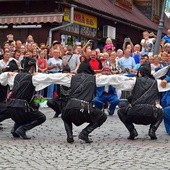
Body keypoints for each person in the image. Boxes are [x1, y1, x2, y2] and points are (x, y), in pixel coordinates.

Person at [117, 63, 163, 140]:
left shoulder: (134, 81)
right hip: (151, 114)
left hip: (135, 113)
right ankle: (152, 130)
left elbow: (120, 83)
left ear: (140, 73)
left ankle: (132, 131)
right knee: (161, 112)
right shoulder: (157, 82)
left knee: (120, 112)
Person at [61, 73, 107, 143]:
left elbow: (52, 78)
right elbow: (112, 79)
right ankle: (84, 133)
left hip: (70, 107)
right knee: (103, 116)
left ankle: (69, 135)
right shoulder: (95, 79)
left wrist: (64, 74)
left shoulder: (70, 78)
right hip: (84, 108)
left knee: (65, 115)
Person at [7, 57, 46, 139]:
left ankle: (15, 129)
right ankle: (22, 129)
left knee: (29, 108)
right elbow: (50, 78)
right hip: (21, 107)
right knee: (41, 117)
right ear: (32, 67)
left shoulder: (16, 76)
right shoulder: (33, 78)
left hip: (10, 107)